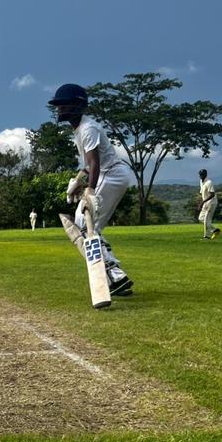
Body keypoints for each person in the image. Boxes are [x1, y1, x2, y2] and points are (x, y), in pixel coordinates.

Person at [48, 83, 134, 296]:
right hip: (109, 174)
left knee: (83, 224)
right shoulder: (79, 129)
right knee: (89, 227)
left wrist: (91, 191)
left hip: (111, 174)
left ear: (77, 105)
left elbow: (95, 163)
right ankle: (115, 277)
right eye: (58, 106)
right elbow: (87, 166)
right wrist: (77, 181)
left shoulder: (88, 128)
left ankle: (115, 275)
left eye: (63, 105)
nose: (59, 110)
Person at [197, 168, 221, 239]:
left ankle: (206, 236)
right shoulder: (201, 182)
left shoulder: (209, 182)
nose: (201, 176)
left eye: (202, 175)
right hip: (205, 203)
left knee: (206, 220)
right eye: (200, 175)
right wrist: (201, 203)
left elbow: (212, 194)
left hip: (211, 203)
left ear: (205, 175)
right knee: (201, 218)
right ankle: (215, 230)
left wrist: (202, 202)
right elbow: (202, 194)